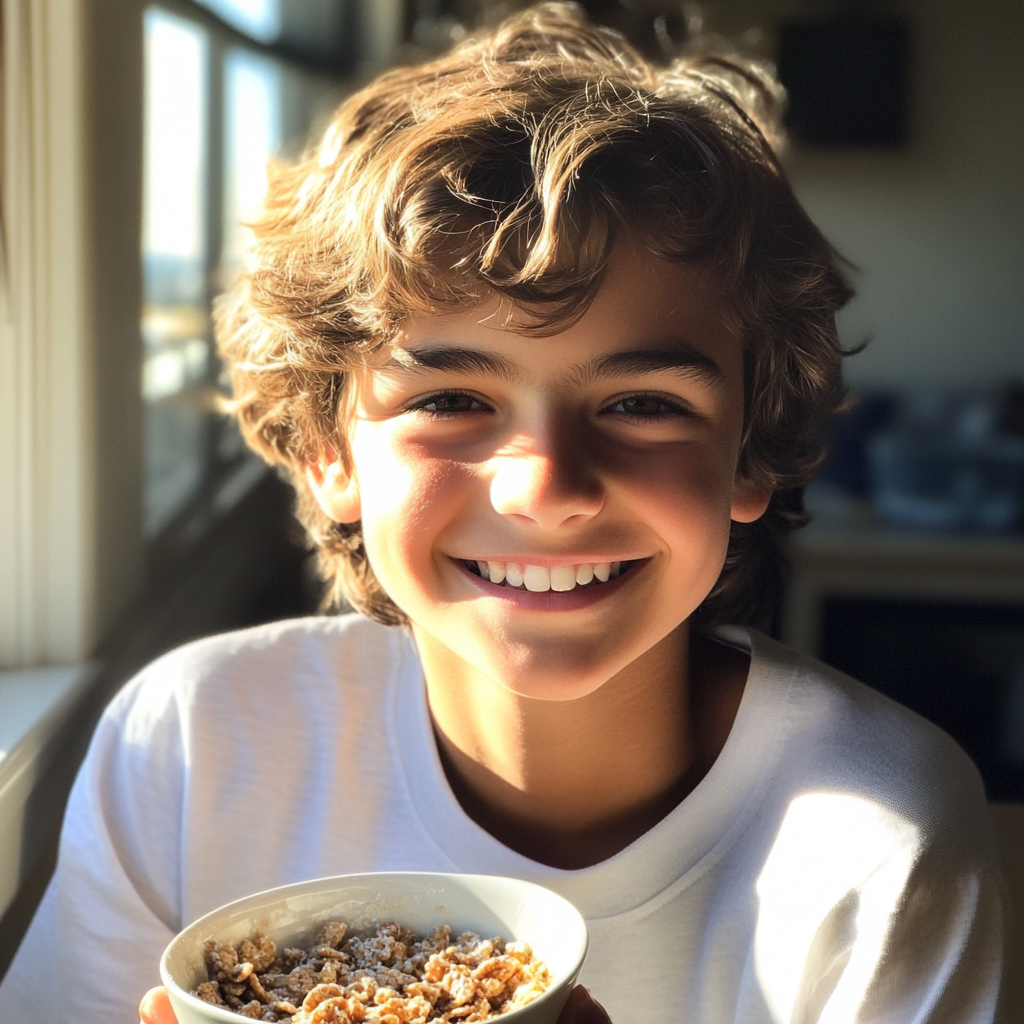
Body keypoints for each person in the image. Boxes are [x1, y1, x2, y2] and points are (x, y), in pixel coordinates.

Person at [0, 5, 1005, 1022]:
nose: (546, 487)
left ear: (750, 451)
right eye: (451, 400)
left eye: (643, 404)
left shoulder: (877, 839)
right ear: (326, 452)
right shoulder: (190, 747)